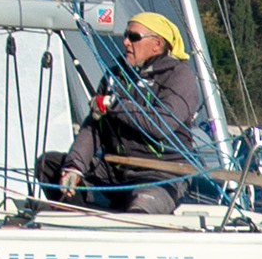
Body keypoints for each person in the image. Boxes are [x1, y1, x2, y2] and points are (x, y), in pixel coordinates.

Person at [53, 13, 211, 210]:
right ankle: (75, 217)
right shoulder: (115, 75)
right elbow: (94, 126)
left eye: (134, 37)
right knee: (49, 165)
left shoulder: (180, 76)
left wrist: (114, 105)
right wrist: (74, 166)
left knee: (141, 213)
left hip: (160, 174)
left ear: (157, 43)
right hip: (116, 171)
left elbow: (160, 124)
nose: (126, 42)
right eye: (126, 36)